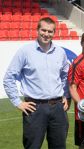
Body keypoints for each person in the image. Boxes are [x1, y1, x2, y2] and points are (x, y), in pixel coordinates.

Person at [3, 17, 70, 149]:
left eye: (50, 31)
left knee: (59, 146)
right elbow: (8, 78)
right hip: (35, 108)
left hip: (57, 108)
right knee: (32, 146)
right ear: (37, 30)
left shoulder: (60, 52)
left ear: (54, 33)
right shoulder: (25, 51)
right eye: (43, 30)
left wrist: (65, 95)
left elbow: (65, 76)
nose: (46, 34)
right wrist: (17, 102)